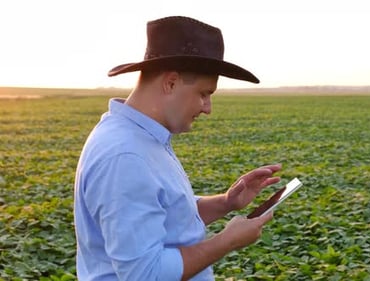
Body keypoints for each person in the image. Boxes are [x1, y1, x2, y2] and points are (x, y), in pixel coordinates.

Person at [73, 16, 281, 280]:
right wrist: (227, 241)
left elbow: (165, 214)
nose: (207, 108)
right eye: (204, 94)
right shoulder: (125, 155)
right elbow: (146, 274)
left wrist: (227, 202)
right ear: (170, 83)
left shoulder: (140, 137)